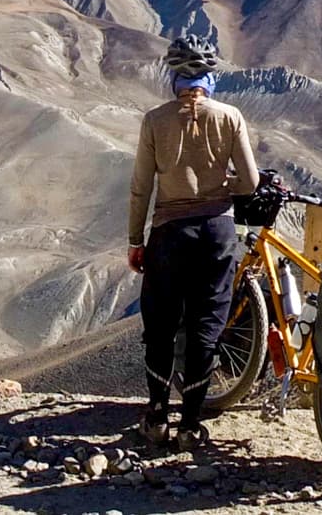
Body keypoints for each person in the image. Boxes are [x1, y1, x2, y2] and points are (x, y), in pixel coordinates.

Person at [127, 34, 259, 450]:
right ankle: (190, 425)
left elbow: (140, 187)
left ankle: (156, 417)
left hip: (169, 231)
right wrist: (223, 185)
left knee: (161, 326)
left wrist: (135, 240)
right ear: (210, 80)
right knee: (206, 325)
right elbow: (250, 182)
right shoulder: (230, 116)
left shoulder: (155, 120)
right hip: (217, 231)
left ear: (173, 80)